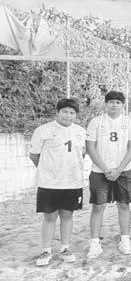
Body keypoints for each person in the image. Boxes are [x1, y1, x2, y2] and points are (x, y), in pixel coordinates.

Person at [29, 98, 86, 266]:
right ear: (57, 112)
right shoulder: (43, 130)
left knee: (67, 215)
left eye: (72, 113)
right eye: (65, 111)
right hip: (49, 183)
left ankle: (65, 248)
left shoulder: (81, 131)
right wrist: (48, 170)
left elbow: (82, 154)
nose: (68, 115)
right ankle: (46, 250)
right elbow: (34, 155)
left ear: (75, 115)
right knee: (50, 216)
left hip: (72, 182)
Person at [85, 91, 131, 258]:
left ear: (123, 105)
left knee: (124, 205)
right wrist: (106, 169)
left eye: (118, 102)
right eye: (111, 102)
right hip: (100, 171)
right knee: (98, 206)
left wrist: (119, 169)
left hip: (124, 170)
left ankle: (125, 240)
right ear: (106, 104)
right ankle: (94, 243)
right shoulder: (96, 122)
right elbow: (90, 147)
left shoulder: (129, 122)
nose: (114, 105)